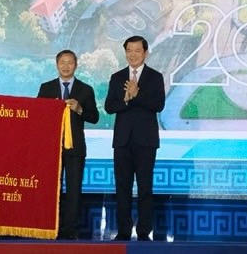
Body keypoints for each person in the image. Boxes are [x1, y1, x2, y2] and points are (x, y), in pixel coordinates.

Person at [104, 35, 165, 241]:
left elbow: (158, 105)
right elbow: (109, 107)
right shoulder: (117, 77)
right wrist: (126, 100)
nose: (133, 54)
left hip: (146, 142)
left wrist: (137, 94)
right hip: (122, 141)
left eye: (137, 51)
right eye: (129, 50)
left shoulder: (155, 77)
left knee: (145, 187)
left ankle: (143, 231)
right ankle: (123, 231)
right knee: (122, 188)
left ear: (145, 53)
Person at [37, 49, 100, 239]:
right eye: (62, 62)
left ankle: (70, 230)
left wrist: (80, 109)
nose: (66, 66)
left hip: (76, 148)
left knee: (74, 190)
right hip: (52, 148)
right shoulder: (46, 88)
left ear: (76, 65)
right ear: (57, 65)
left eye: (70, 62)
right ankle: (51, 228)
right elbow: (37, 116)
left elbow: (94, 117)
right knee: (51, 190)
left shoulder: (85, 89)